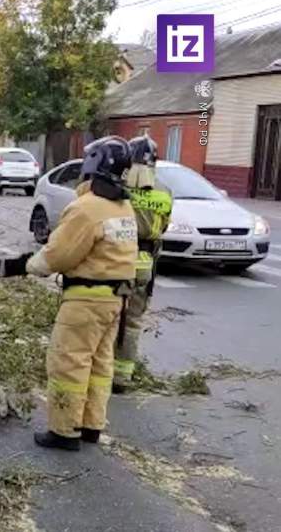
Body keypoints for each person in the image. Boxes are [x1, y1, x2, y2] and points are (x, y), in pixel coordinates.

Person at [26, 136, 138, 451]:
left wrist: (32, 265)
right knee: (101, 364)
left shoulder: (86, 208)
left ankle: (64, 431)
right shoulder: (122, 204)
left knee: (69, 362)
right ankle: (91, 425)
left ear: (92, 163)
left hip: (86, 299)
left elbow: (58, 256)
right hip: (115, 299)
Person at [113, 136, 173, 393]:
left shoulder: (117, 186)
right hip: (144, 264)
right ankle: (123, 376)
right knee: (134, 322)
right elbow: (164, 227)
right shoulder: (164, 191)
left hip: (114, 259)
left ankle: (102, 368)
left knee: (108, 318)